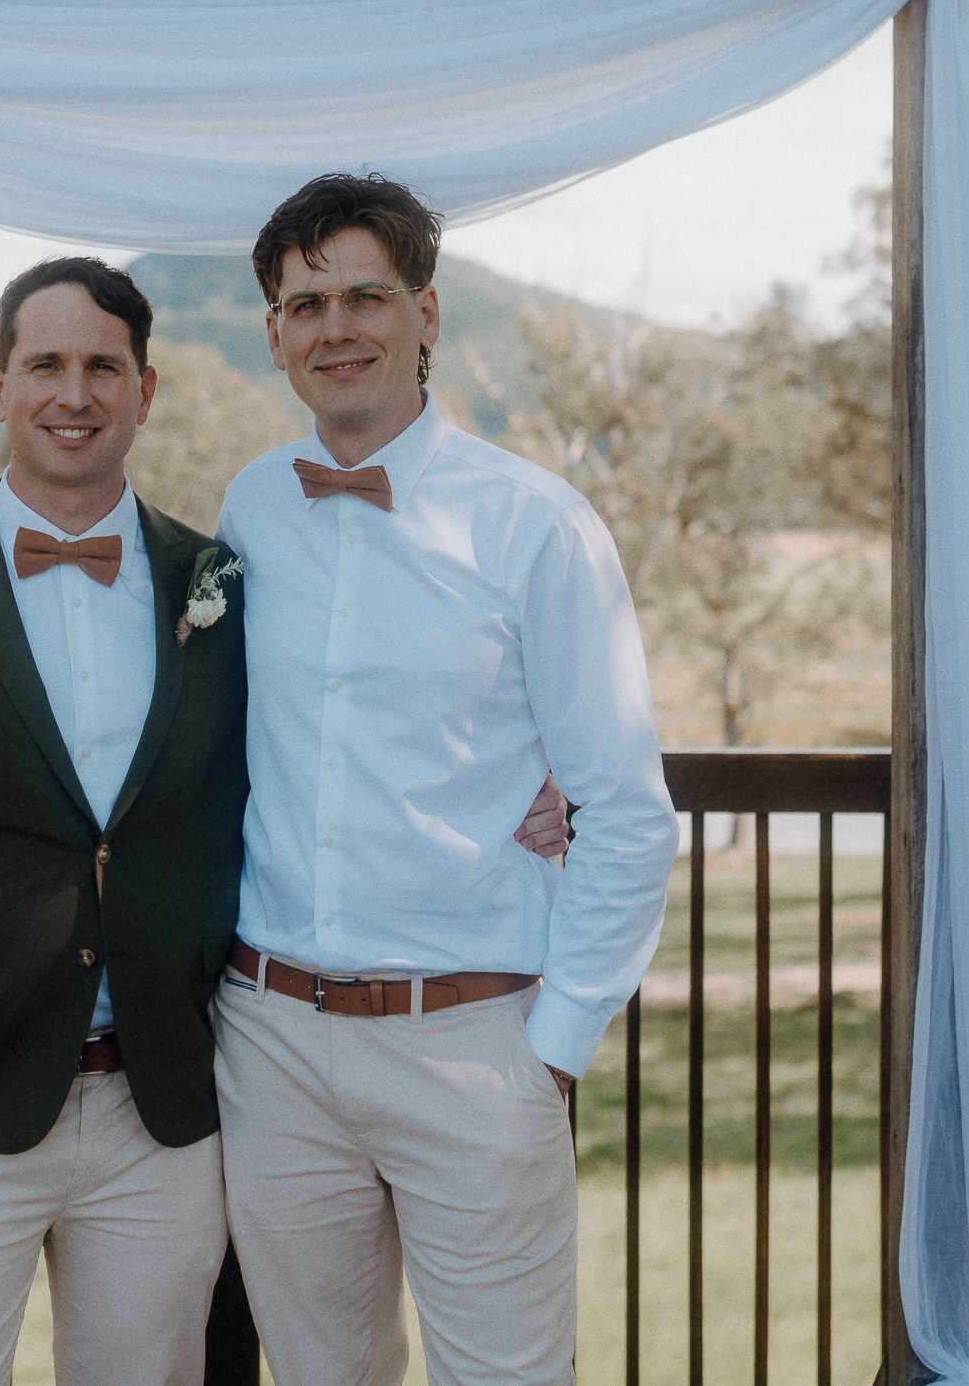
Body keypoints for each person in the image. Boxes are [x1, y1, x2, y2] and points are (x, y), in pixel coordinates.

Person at [0, 255, 569, 1386]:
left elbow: (347, 725)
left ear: (145, 390)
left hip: (160, 1109)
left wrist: (547, 788)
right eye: (45, 366)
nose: (75, 394)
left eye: (103, 366)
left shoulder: (221, 579)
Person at [213, 173, 680, 1386]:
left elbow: (626, 807)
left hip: (474, 1040)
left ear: (427, 313)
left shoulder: (537, 524)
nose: (336, 326)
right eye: (306, 303)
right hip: (270, 1041)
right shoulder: (251, 508)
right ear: (273, 335)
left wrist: (556, 1044)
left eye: (366, 294)